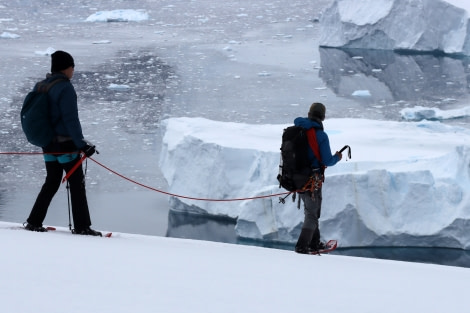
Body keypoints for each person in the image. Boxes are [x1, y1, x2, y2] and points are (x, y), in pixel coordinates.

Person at [24, 50, 102, 236]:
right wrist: (81, 144)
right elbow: (70, 120)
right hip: (65, 144)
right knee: (76, 182)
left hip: (47, 143)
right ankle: (82, 227)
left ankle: (34, 221)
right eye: (72, 67)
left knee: (52, 181)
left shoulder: (41, 85)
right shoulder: (65, 87)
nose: (73, 71)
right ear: (67, 68)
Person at [294, 102, 342, 253]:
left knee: (310, 211)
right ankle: (302, 246)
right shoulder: (320, 135)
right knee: (312, 213)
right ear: (322, 116)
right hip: (311, 180)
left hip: (296, 177)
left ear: (309, 114)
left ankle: (314, 243)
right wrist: (337, 157)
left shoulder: (297, 129)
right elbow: (327, 160)